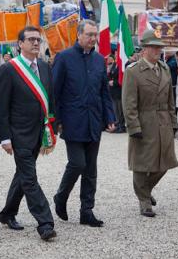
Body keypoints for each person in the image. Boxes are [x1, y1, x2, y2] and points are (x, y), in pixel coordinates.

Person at [52, 19, 116, 227]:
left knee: (91, 169)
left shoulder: (99, 60)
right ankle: (61, 197)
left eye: (95, 34)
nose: (93, 38)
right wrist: (57, 121)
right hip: (72, 121)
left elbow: (104, 92)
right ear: (78, 35)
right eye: (89, 34)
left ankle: (86, 211)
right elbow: (55, 92)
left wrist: (109, 117)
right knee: (77, 163)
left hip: (94, 121)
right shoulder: (64, 58)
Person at [0, 26, 57, 241]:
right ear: (20, 44)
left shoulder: (44, 66)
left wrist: (52, 129)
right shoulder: (9, 69)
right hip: (18, 134)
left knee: (22, 175)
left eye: (38, 40)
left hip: (39, 132)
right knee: (30, 178)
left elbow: (50, 100)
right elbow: (1, 107)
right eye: (30, 39)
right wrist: (4, 137)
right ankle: (45, 222)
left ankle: (7, 213)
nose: (35, 43)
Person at [122, 29, 178, 217]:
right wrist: (133, 126)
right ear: (144, 49)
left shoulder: (164, 69)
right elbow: (129, 103)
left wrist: (173, 121)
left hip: (163, 121)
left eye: (160, 47)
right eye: (154, 47)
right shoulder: (133, 72)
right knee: (142, 164)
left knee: (164, 162)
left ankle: (144, 191)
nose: (158, 51)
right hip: (144, 121)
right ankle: (144, 201)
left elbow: (171, 99)